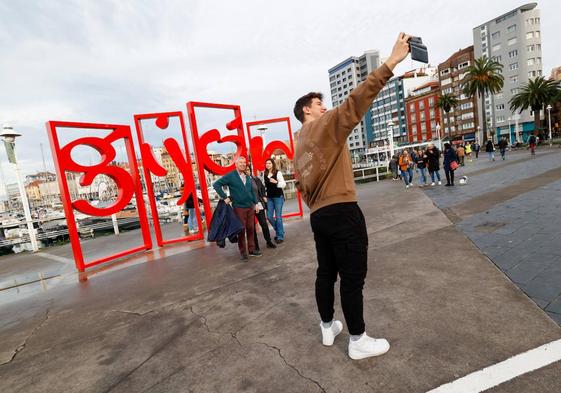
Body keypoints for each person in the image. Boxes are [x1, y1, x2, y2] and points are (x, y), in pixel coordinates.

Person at [293, 32, 410, 360]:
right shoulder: (326, 125)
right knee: (352, 277)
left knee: (325, 272)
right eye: (319, 104)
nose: (325, 107)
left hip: (319, 216)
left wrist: (317, 205)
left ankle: (328, 326)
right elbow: (356, 101)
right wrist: (390, 63)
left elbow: (301, 187)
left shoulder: (298, 146)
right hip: (342, 211)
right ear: (307, 110)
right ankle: (358, 340)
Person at [213, 156, 262, 261]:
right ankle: (243, 252)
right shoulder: (231, 176)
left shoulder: (247, 177)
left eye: (244, 162)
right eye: (241, 162)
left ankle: (251, 249)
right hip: (239, 207)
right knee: (241, 229)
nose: (243, 164)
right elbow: (216, 184)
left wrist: (256, 203)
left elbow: (252, 192)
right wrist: (224, 197)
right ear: (236, 164)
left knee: (251, 228)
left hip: (250, 206)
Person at [246, 167, 277, 251]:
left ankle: (268, 241)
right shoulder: (243, 182)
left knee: (264, 224)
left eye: (248, 170)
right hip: (249, 206)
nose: (247, 171)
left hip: (259, 204)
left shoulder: (255, 179)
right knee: (252, 227)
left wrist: (263, 196)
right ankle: (255, 246)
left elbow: (262, 188)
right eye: (245, 170)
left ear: (250, 170)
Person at [264, 158, 287, 244]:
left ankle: (280, 236)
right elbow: (265, 186)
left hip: (278, 197)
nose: (268, 165)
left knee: (278, 217)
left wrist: (276, 182)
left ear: (272, 164)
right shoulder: (265, 174)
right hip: (269, 198)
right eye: (266, 163)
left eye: (269, 163)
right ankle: (279, 231)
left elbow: (284, 184)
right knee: (269, 217)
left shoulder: (278, 172)